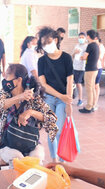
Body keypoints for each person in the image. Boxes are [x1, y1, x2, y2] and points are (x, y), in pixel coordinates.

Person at [0, 64, 58, 165]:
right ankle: (17, 180)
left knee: (36, 159)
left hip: (30, 143)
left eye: (8, 77)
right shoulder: (5, 93)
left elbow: (51, 118)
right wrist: (19, 97)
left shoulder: (33, 96)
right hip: (8, 144)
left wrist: (30, 112)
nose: (5, 80)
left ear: (19, 80)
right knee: (18, 160)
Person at [37, 26, 73, 162]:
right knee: (51, 130)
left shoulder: (66, 58)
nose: (46, 45)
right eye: (43, 43)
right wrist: (61, 96)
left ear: (56, 40)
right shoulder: (42, 61)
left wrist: (68, 101)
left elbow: (70, 81)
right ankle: (54, 160)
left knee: (60, 130)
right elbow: (43, 85)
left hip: (64, 99)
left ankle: (62, 162)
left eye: (48, 41)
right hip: (49, 98)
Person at [79, 30, 100, 114]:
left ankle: (88, 107)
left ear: (88, 36)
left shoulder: (90, 45)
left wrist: (80, 57)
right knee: (92, 88)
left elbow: (84, 57)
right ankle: (93, 105)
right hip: (95, 69)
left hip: (90, 70)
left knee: (89, 88)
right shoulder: (96, 45)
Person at [71, 32, 88, 106]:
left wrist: (82, 57)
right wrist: (75, 52)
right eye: (80, 37)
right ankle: (71, 98)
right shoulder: (76, 45)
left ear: (85, 38)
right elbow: (72, 56)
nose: (81, 39)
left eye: (82, 37)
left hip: (81, 68)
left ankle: (80, 100)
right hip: (74, 66)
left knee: (78, 83)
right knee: (72, 83)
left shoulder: (86, 46)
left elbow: (86, 57)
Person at [95, 37, 105, 109]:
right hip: (95, 67)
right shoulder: (98, 46)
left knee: (96, 85)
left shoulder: (100, 47)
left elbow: (100, 57)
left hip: (98, 67)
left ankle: (95, 102)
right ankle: (94, 102)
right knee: (94, 86)